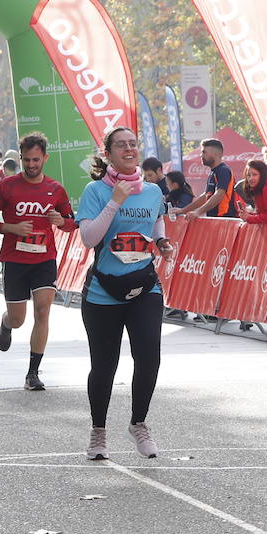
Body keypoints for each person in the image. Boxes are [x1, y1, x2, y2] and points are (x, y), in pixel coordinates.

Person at [76, 126, 175, 460]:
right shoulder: (95, 190)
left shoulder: (151, 191)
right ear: (108, 154)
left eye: (133, 144)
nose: (129, 150)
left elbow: (156, 221)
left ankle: (138, 423)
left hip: (145, 284)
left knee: (149, 356)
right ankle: (98, 432)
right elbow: (89, 238)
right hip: (104, 289)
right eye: (121, 145)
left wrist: (161, 242)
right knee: (105, 365)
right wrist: (115, 202)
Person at [0, 133, 75, 391]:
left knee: (43, 310)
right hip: (15, 260)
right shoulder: (7, 186)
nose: (31, 165)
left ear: (45, 158)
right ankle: (5, 323)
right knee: (18, 319)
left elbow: (71, 223)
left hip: (44, 258)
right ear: (20, 157)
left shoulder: (56, 189)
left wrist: (60, 222)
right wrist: (11, 227)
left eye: (36, 160)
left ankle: (33, 373)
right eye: (27, 160)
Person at [175, 138, 237, 219]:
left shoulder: (223, 170)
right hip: (217, 220)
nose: (201, 155)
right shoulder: (214, 172)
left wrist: (198, 212)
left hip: (225, 219)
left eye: (204, 152)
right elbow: (206, 196)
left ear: (216, 154)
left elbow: (218, 195)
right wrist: (183, 210)